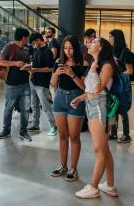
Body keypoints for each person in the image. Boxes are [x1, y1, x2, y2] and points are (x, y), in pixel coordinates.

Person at [72, 38, 118, 199]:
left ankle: (93, 187)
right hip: (92, 104)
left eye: (95, 41)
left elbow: (98, 88)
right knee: (104, 148)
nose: (91, 42)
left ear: (102, 47)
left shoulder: (106, 66)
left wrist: (92, 68)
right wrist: (80, 98)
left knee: (99, 149)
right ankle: (110, 185)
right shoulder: (97, 64)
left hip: (100, 107)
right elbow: (91, 89)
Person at [50, 35, 86, 182]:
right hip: (59, 98)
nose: (67, 51)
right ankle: (63, 165)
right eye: (65, 48)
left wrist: (72, 74)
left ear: (76, 48)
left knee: (74, 136)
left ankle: (73, 168)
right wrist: (56, 74)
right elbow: (53, 84)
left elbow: (85, 87)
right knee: (62, 135)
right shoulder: (58, 62)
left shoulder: (82, 64)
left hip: (76, 99)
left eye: (70, 48)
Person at [0, 27, 32, 142]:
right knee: (9, 108)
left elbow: (26, 63)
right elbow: (1, 61)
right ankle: (6, 130)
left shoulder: (26, 49)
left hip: (25, 83)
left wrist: (28, 67)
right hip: (12, 84)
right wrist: (15, 63)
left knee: (25, 109)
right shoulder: (9, 47)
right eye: (27, 37)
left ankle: (23, 132)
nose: (28, 40)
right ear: (23, 37)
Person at [27, 32, 57, 135]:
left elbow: (50, 69)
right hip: (33, 82)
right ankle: (35, 125)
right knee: (34, 105)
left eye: (34, 43)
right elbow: (35, 65)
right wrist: (31, 71)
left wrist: (36, 70)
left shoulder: (47, 51)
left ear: (38, 40)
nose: (33, 45)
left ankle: (54, 126)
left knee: (45, 106)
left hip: (42, 83)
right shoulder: (36, 50)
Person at [108, 29, 134, 143]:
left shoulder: (126, 53)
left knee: (122, 109)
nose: (109, 39)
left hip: (122, 85)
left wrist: (118, 71)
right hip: (114, 83)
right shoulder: (113, 51)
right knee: (114, 107)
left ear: (117, 38)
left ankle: (126, 135)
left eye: (111, 37)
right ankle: (113, 133)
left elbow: (130, 71)